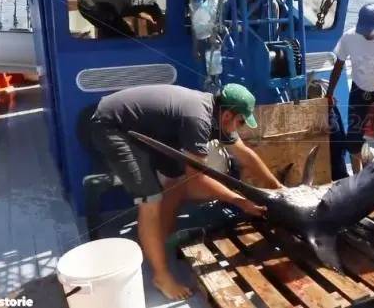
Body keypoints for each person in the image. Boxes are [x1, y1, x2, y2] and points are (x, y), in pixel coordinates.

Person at [88, 83, 284, 300]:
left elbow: (245, 154)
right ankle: (161, 276)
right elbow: (198, 179)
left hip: (141, 127)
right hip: (112, 126)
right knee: (150, 198)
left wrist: (278, 188)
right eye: (240, 122)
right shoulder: (198, 119)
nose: (240, 127)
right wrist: (240, 201)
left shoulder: (217, 115)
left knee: (176, 178)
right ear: (228, 115)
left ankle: (160, 238)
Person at [326, 3, 374, 173]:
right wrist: (329, 93)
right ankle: (358, 176)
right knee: (353, 140)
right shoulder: (349, 37)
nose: (366, 34)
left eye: (370, 29)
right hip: (359, 90)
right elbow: (338, 64)